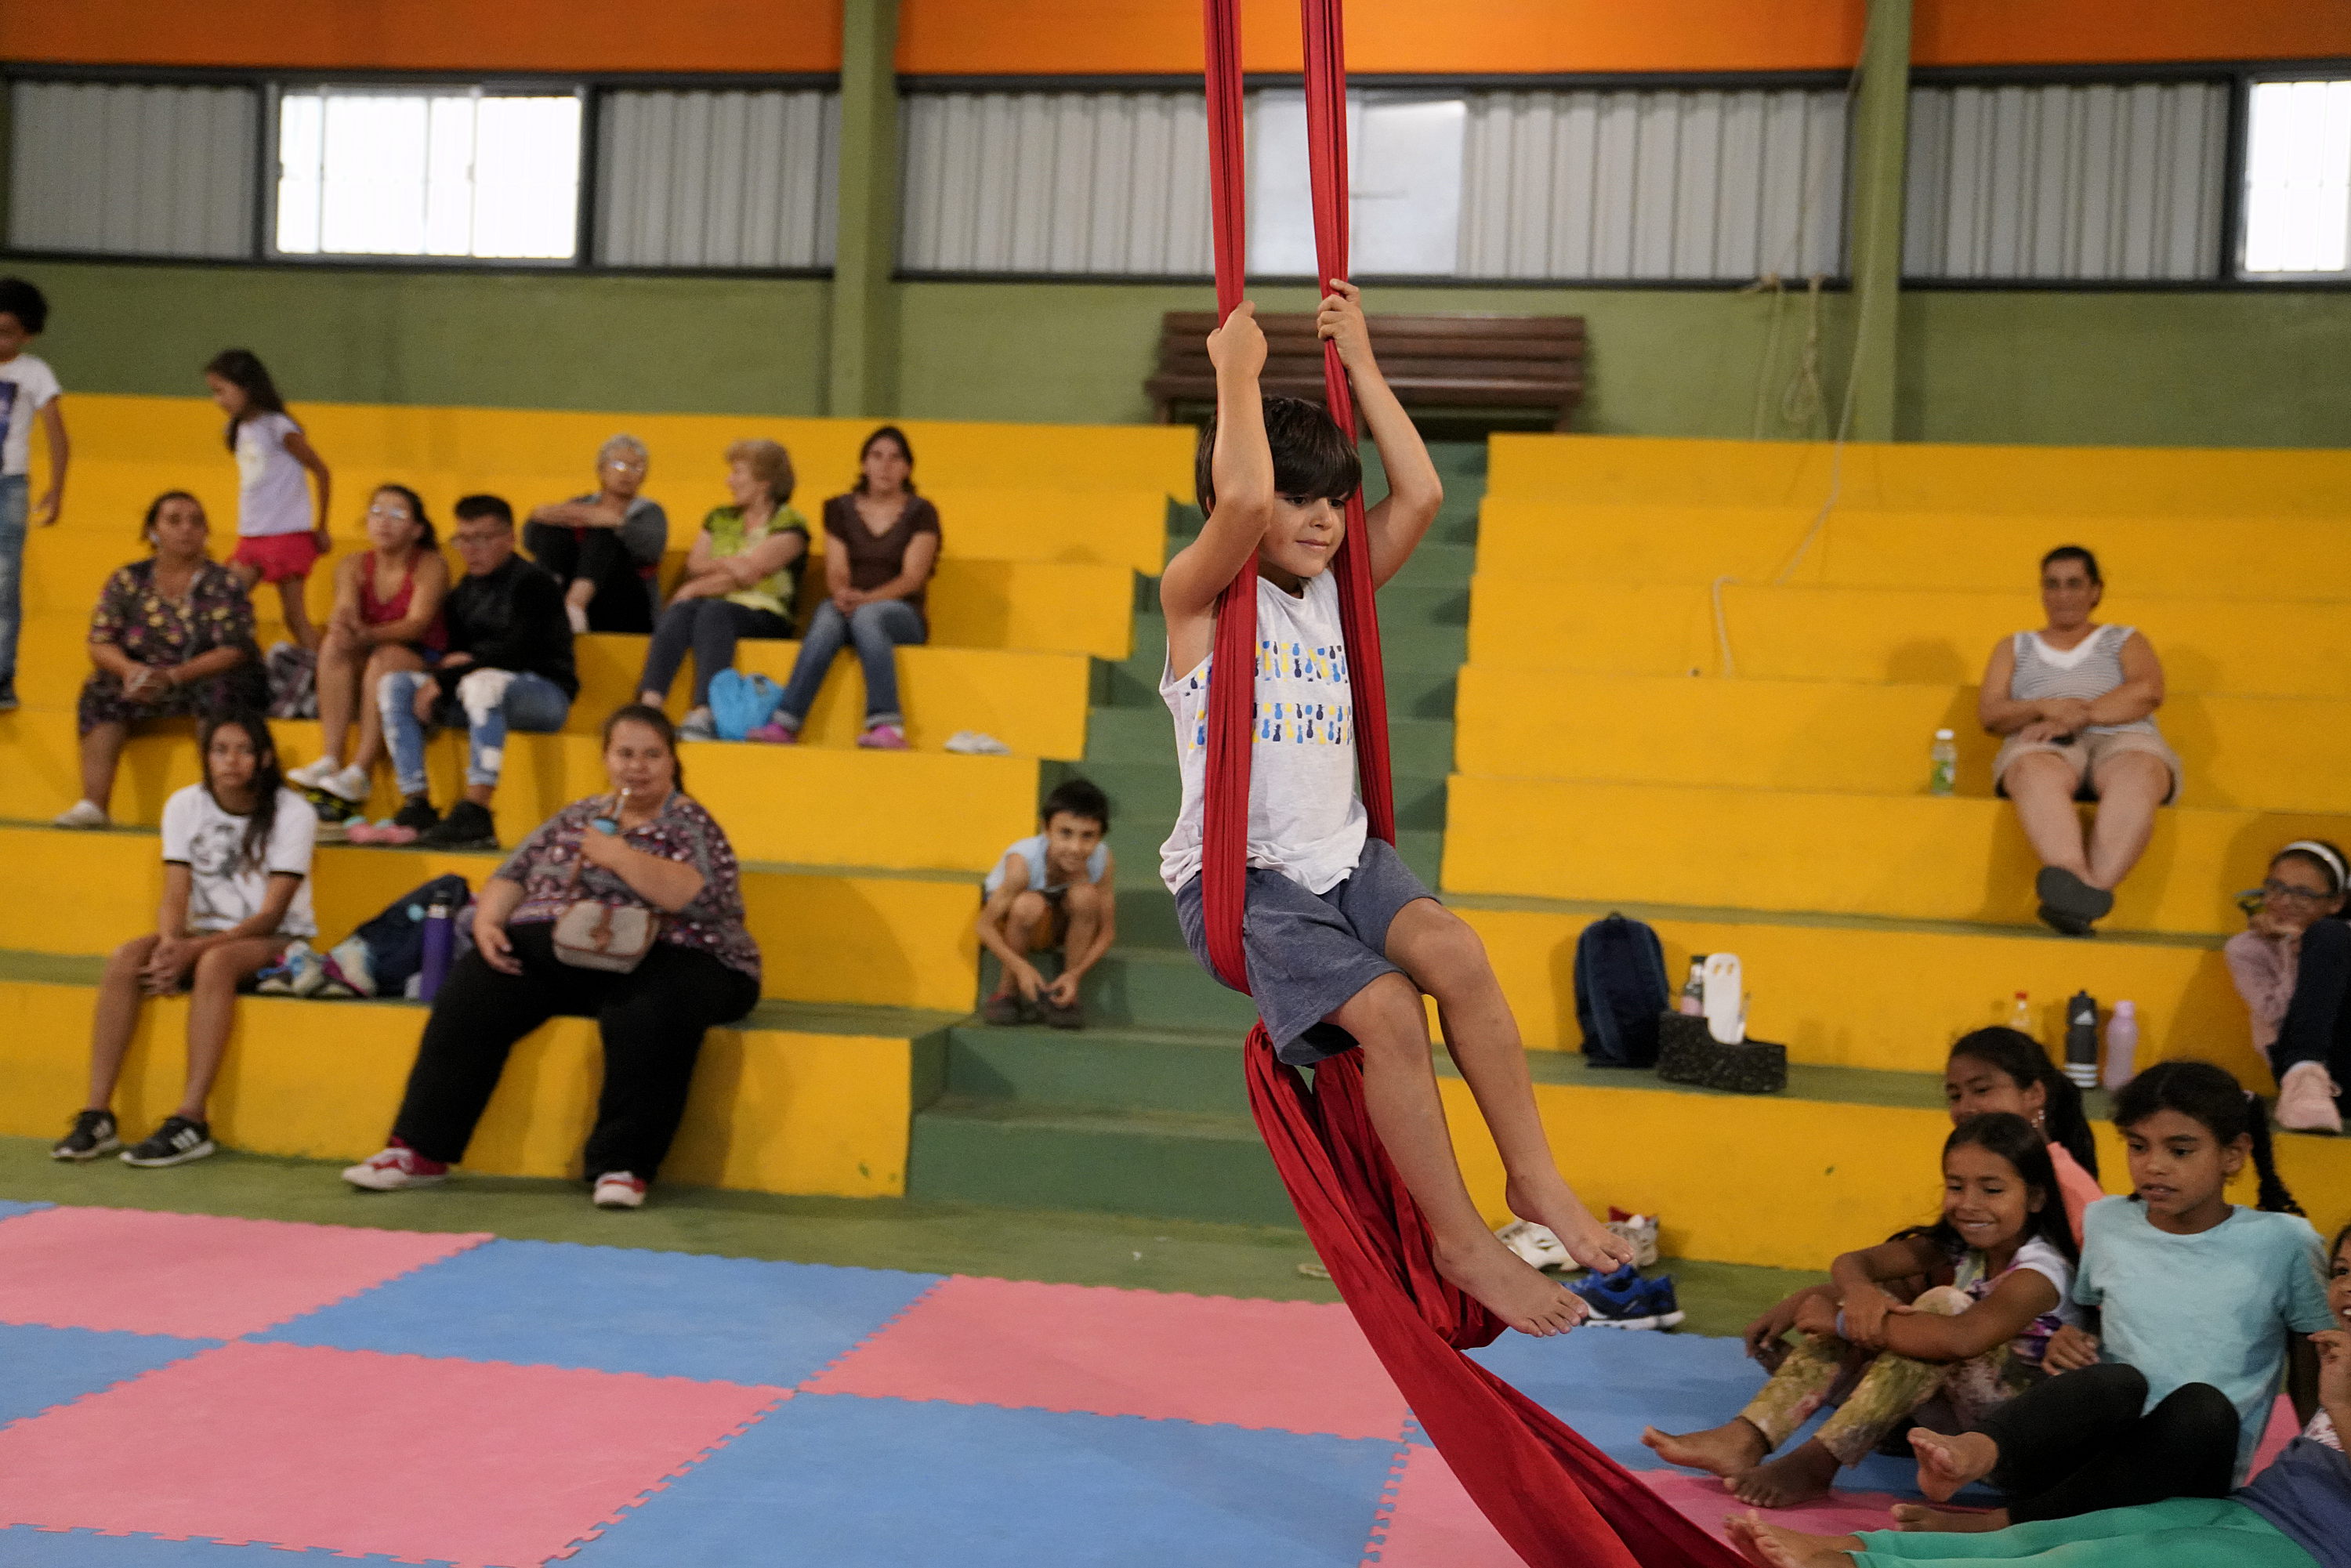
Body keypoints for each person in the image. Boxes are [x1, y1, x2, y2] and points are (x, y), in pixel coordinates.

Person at [1157, 286, 1633, 1338]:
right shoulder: (1201, 599)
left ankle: (1535, 1178)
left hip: (1344, 855)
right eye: (1302, 498)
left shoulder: (1339, 590)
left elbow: (1417, 495)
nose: (1326, 518)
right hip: (1246, 883)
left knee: (1457, 954)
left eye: (1335, 497)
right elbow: (1236, 512)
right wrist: (1233, 372)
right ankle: (1459, 1236)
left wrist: (1362, 364)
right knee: (1386, 1014)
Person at [1719, 1220, 2351, 1568]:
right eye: (2345, 1270)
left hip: (2312, 1546)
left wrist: (2342, 1399)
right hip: (2254, 1507)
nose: (2348, 1287)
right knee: (2056, 1536)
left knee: (2085, 1564)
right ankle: (1860, 1550)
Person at [341, 704, 759, 1210]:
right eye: (625, 753)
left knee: (650, 1012)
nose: (638, 766)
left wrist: (618, 856)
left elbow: (690, 894)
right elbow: (513, 874)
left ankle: (623, 1166)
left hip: (678, 954)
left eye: (652, 755)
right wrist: (490, 922)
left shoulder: (690, 824)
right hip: (566, 949)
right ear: (606, 758)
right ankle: (417, 1152)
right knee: (476, 987)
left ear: (672, 762)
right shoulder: (578, 815)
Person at [1887, 1059, 2329, 1536]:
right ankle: (1973, 1454)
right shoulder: (2107, 1222)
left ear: (2233, 1154)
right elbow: (2101, 1325)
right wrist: (2068, 1340)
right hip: (2083, 1458)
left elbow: (2314, 1362)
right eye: (2137, 1147)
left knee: (2203, 1405)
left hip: (2186, 1468)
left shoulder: (2286, 1242)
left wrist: (2318, 1470)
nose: (2153, 1165)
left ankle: (2001, 1523)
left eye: (2180, 1150)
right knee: (2116, 1380)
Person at [1643, 1114, 2082, 1508]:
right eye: (1955, 1186)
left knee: (1939, 1308)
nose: (1968, 1203)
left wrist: (1839, 1320)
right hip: (1953, 1431)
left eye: (1992, 1189)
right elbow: (1854, 1263)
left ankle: (1818, 1463)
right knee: (1871, 1307)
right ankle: (1747, 1435)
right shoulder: (1957, 1245)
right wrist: (1856, 1297)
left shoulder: (2041, 1272)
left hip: (2014, 1452)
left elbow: (1962, 1338)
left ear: (2037, 1198)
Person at [51, 713, 318, 1169]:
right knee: (125, 958)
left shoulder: (294, 812)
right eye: (219, 750)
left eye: (243, 750)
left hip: (275, 939)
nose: (230, 761)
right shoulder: (184, 804)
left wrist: (195, 951)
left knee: (217, 963)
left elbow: (272, 912)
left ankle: (191, 1119)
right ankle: (98, 1113)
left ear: (265, 758)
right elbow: (175, 892)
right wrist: (171, 945)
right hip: (203, 932)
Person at [1979, 546, 2177, 937]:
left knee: (2139, 772)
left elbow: (2148, 690)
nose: (2063, 595)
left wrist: (2080, 715)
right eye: (2052, 585)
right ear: (2042, 591)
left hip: (2121, 735)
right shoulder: (2014, 646)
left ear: (2095, 591)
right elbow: (1991, 714)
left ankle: (2084, 893)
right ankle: (2080, 888)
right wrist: (2042, 707)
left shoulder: (2125, 638)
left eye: (2074, 584)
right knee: (2032, 770)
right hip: (2043, 740)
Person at [53, 493, 267, 829]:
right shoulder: (128, 580)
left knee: (222, 691)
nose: (187, 529)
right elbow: (100, 641)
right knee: (99, 690)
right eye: (175, 520)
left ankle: (218, 806)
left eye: (196, 521)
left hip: (204, 673)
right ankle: (93, 805)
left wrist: (174, 676)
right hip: (145, 676)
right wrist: (130, 671)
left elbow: (234, 649)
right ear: (153, 530)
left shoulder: (223, 583)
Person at [376, 495, 576, 850]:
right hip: (477, 692)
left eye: (482, 538)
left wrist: (447, 678)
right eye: (463, 539)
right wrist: (443, 671)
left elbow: (518, 652)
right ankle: (417, 802)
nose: (471, 549)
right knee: (396, 684)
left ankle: (477, 811)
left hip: (543, 692)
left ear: (510, 538)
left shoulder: (535, 583)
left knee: (482, 682)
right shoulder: (462, 593)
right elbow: (452, 655)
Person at [758, 425, 938, 751]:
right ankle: (786, 723)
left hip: (902, 613)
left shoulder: (922, 513)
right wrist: (842, 593)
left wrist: (867, 599)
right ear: (864, 464)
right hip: (851, 604)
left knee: (869, 617)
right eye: (877, 456)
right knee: (828, 613)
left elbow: (913, 577)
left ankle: (888, 724)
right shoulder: (839, 509)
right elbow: (837, 567)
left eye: (896, 458)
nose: (885, 466)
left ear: (907, 468)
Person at [284, 485, 447, 808]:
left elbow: (417, 625)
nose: (384, 521)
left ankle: (361, 770)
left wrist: (366, 634)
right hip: (370, 648)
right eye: (376, 512)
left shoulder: (431, 565)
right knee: (333, 645)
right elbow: (344, 611)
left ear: (417, 529)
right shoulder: (352, 564)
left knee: (385, 658)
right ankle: (331, 758)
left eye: (397, 515)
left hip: (421, 656)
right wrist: (344, 621)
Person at [633, 439, 807, 738]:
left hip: (765, 613)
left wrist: (697, 588)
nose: (730, 481)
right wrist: (732, 563)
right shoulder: (720, 517)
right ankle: (649, 706)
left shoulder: (790, 523)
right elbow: (696, 563)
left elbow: (754, 572)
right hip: (714, 606)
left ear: (763, 483)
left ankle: (705, 711)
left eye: (738, 473)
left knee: (709, 610)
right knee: (680, 611)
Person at [205, 349, 332, 651]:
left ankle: (324, 676)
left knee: (294, 617)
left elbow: (321, 471)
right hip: (252, 536)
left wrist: (321, 526)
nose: (217, 400)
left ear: (246, 387)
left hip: (287, 534)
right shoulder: (236, 429)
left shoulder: (280, 427)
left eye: (221, 391)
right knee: (224, 602)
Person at [2226, 838, 2351, 1135]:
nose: (2284, 901)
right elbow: (2276, 1017)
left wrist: (2307, 942)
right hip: (2303, 1076)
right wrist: (2294, 952)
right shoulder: (2247, 949)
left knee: (2329, 935)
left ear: (2336, 902)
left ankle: (2306, 1072)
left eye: (2304, 894)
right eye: (2276, 888)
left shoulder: (2339, 936)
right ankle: (2305, 1074)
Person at [977, 777, 1116, 1029]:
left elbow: (1107, 932)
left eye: (1088, 836)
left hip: (1056, 920)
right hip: (1014, 920)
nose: (1075, 847)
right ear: (1046, 829)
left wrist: (1075, 975)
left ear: (1100, 837)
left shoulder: (1102, 860)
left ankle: (1067, 995)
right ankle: (1006, 993)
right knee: (1028, 903)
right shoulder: (1023, 861)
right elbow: (984, 926)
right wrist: (1020, 967)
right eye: (1065, 833)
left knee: (1086, 896)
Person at [0, 275, 67, 714]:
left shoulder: (33, 372)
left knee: (5, 581)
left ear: (28, 334)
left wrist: (57, 488)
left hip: (9, 485)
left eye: (7, 332)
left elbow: (58, 433)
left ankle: (3, 674)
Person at [524, 433, 668, 635]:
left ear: (643, 476)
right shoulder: (581, 504)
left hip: (625, 599)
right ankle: (551, 602)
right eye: (618, 465)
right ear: (601, 469)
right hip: (571, 587)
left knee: (603, 535)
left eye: (636, 468)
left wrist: (617, 523)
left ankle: (574, 606)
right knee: (555, 529)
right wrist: (539, 516)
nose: (626, 473)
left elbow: (651, 550)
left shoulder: (650, 511)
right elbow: (531, 540)